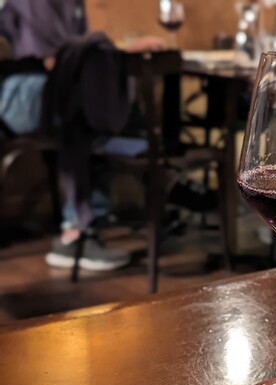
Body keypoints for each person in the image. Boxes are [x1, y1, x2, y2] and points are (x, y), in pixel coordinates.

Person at [0, 0, 215, 271]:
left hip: (57, 89)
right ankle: (155, 178)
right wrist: (118, 54)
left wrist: (114, 54)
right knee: (87, 102)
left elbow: (79, 55)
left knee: (97, 97)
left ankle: (148, 178)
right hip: (17, 94)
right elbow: (56, 60)